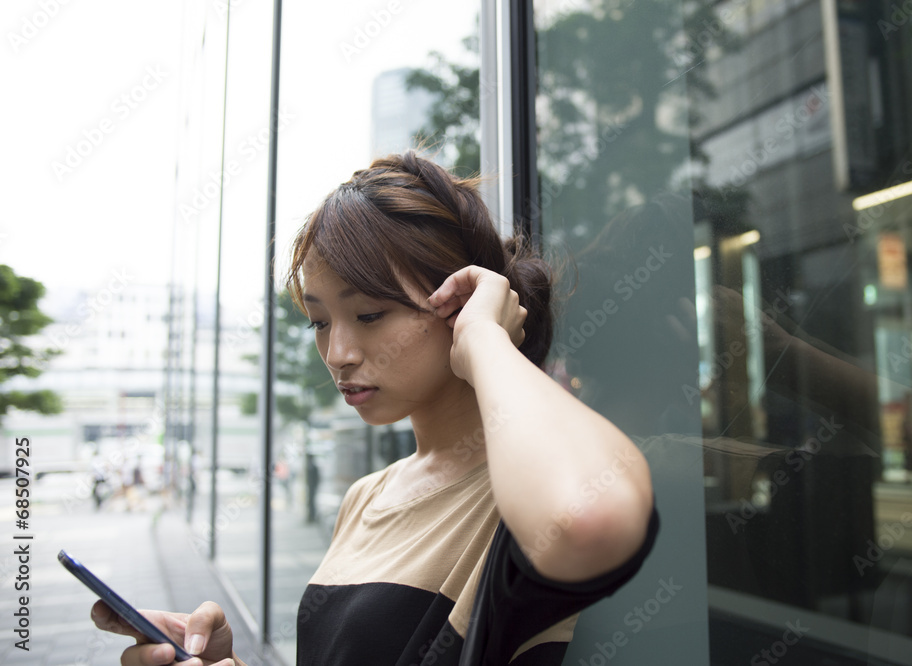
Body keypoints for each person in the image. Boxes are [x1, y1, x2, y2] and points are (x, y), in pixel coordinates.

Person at [91, 152, 659, 665]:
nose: (337, 354)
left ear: (458, 304)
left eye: (369, 315)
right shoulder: (366, 497)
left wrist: (486, 338)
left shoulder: (518, 490)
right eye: (318, 321)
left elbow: (590, 518)